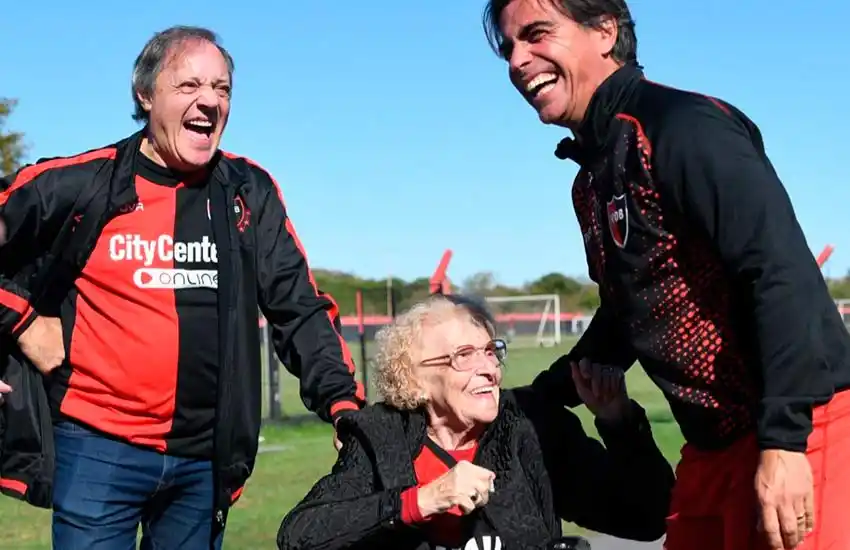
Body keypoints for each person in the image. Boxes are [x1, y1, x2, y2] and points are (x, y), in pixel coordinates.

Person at [481, 1, 850, 549]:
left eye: (536, 34)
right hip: (710, 451)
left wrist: (785, 444)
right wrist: (521, 400)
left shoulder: (683, 127)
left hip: (802, 431)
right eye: (508, 47)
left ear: (604, 31)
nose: (517, 60)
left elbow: (777, 272)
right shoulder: (591, 179)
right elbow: (631, 308)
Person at [0, 25, 364, 549]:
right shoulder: (80, 183)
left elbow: (298, 307)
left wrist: (341, 402)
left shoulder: (247, 193)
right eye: (189, 86)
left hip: (204, 464)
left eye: (222, 89)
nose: (209, 102)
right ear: (145, 95)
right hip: (97, 447)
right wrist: (23, 322)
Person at [277, 294, 674, 550]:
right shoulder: (380, 435)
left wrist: (619, 424)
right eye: (462, 356)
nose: (488, 369)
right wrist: (423, 500)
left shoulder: (531, 426)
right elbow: (300, 534)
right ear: (413, 378)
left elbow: (644, 519)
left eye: (490, 351)